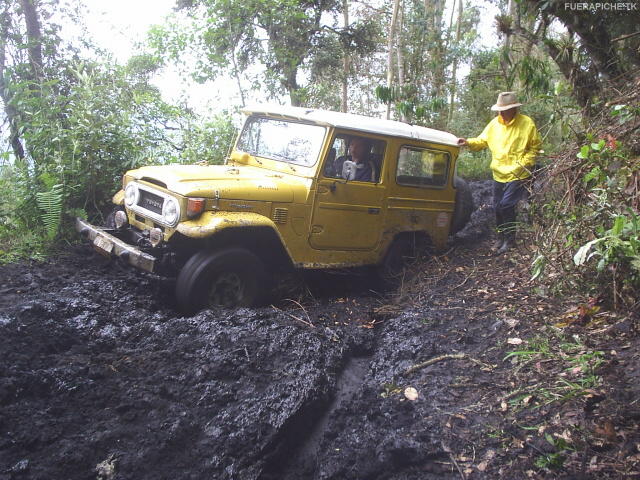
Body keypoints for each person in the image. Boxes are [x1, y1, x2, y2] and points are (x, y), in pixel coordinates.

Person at [457, 91, 541, 254]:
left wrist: (523, 164)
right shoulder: (495, 124)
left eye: (505, 109)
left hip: (518, 173)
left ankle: (510, 240)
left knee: (507, 205)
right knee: (497, 206)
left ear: (514, 109)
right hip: (499, 173)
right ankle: (501, 237)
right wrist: (467, 142)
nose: (501, 112)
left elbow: (535, 148)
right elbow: (482, 140)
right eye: (500, 110)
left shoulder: (526, 123)